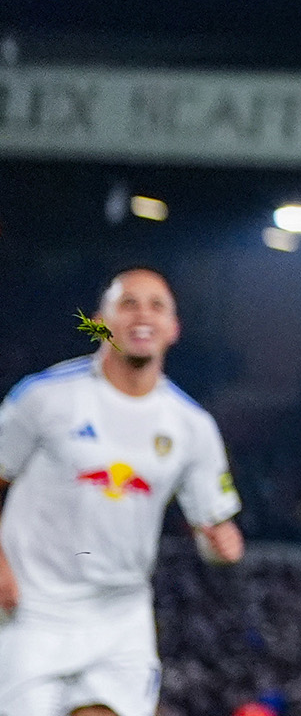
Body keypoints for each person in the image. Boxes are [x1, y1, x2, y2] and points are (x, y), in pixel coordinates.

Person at [0, 269, 244, 716]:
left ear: (173, 329)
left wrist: (222, 547)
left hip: (120, 615)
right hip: (31, 612)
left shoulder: (193, 427)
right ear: (100, 322)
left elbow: (212, 528)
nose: (142, 314)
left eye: (157, 305)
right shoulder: (43, 397)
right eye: (128, 303)